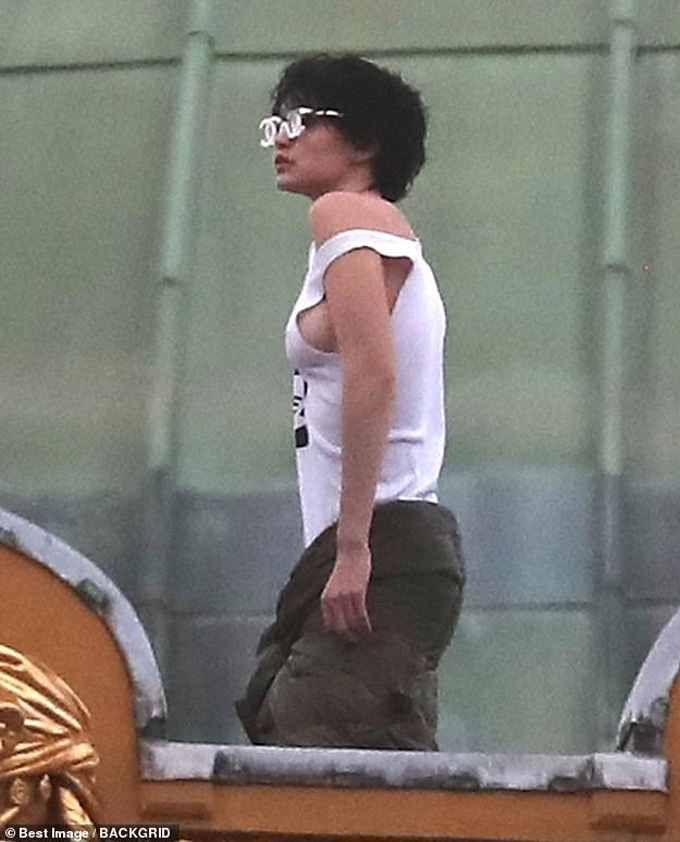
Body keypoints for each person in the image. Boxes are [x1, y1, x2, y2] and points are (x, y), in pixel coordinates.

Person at [236, 53, 465, 751]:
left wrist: (354, 546)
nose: (281, 139)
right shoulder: (360, 235)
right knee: (354, 753)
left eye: (301, 121)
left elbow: (374, 375)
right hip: (381, 547)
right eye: (276, 124)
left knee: (312, 745)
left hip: (383, 539)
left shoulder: (346, 213)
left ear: (363, 143)